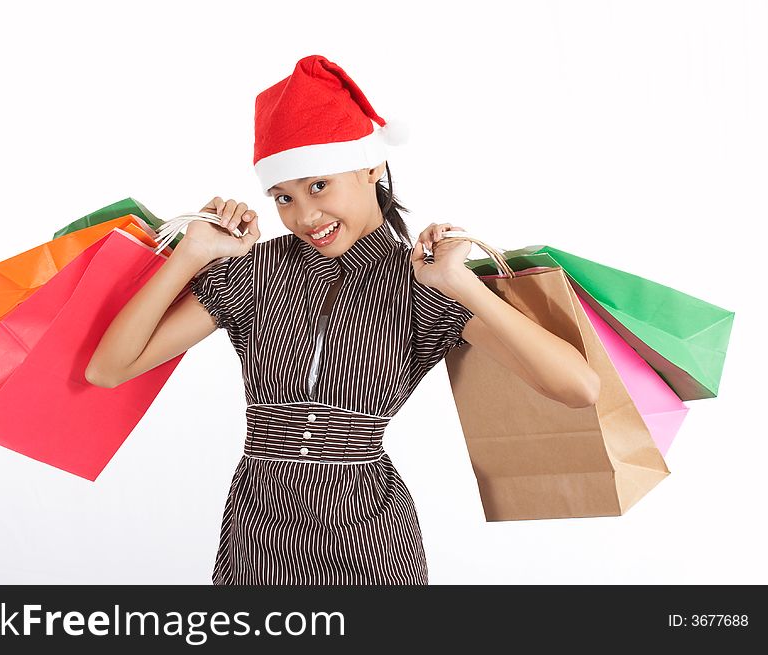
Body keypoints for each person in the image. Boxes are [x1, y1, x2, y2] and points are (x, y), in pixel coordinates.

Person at [85, 54, 600, 584]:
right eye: (283, 197)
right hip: (256, 529)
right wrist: (191, 255)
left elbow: (579, 388)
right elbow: (109, 370)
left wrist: (464, 284)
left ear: (370, 167)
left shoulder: (423, 284)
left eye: (318, 186)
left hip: (368, 531)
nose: (304, 216)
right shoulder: (256, 271)